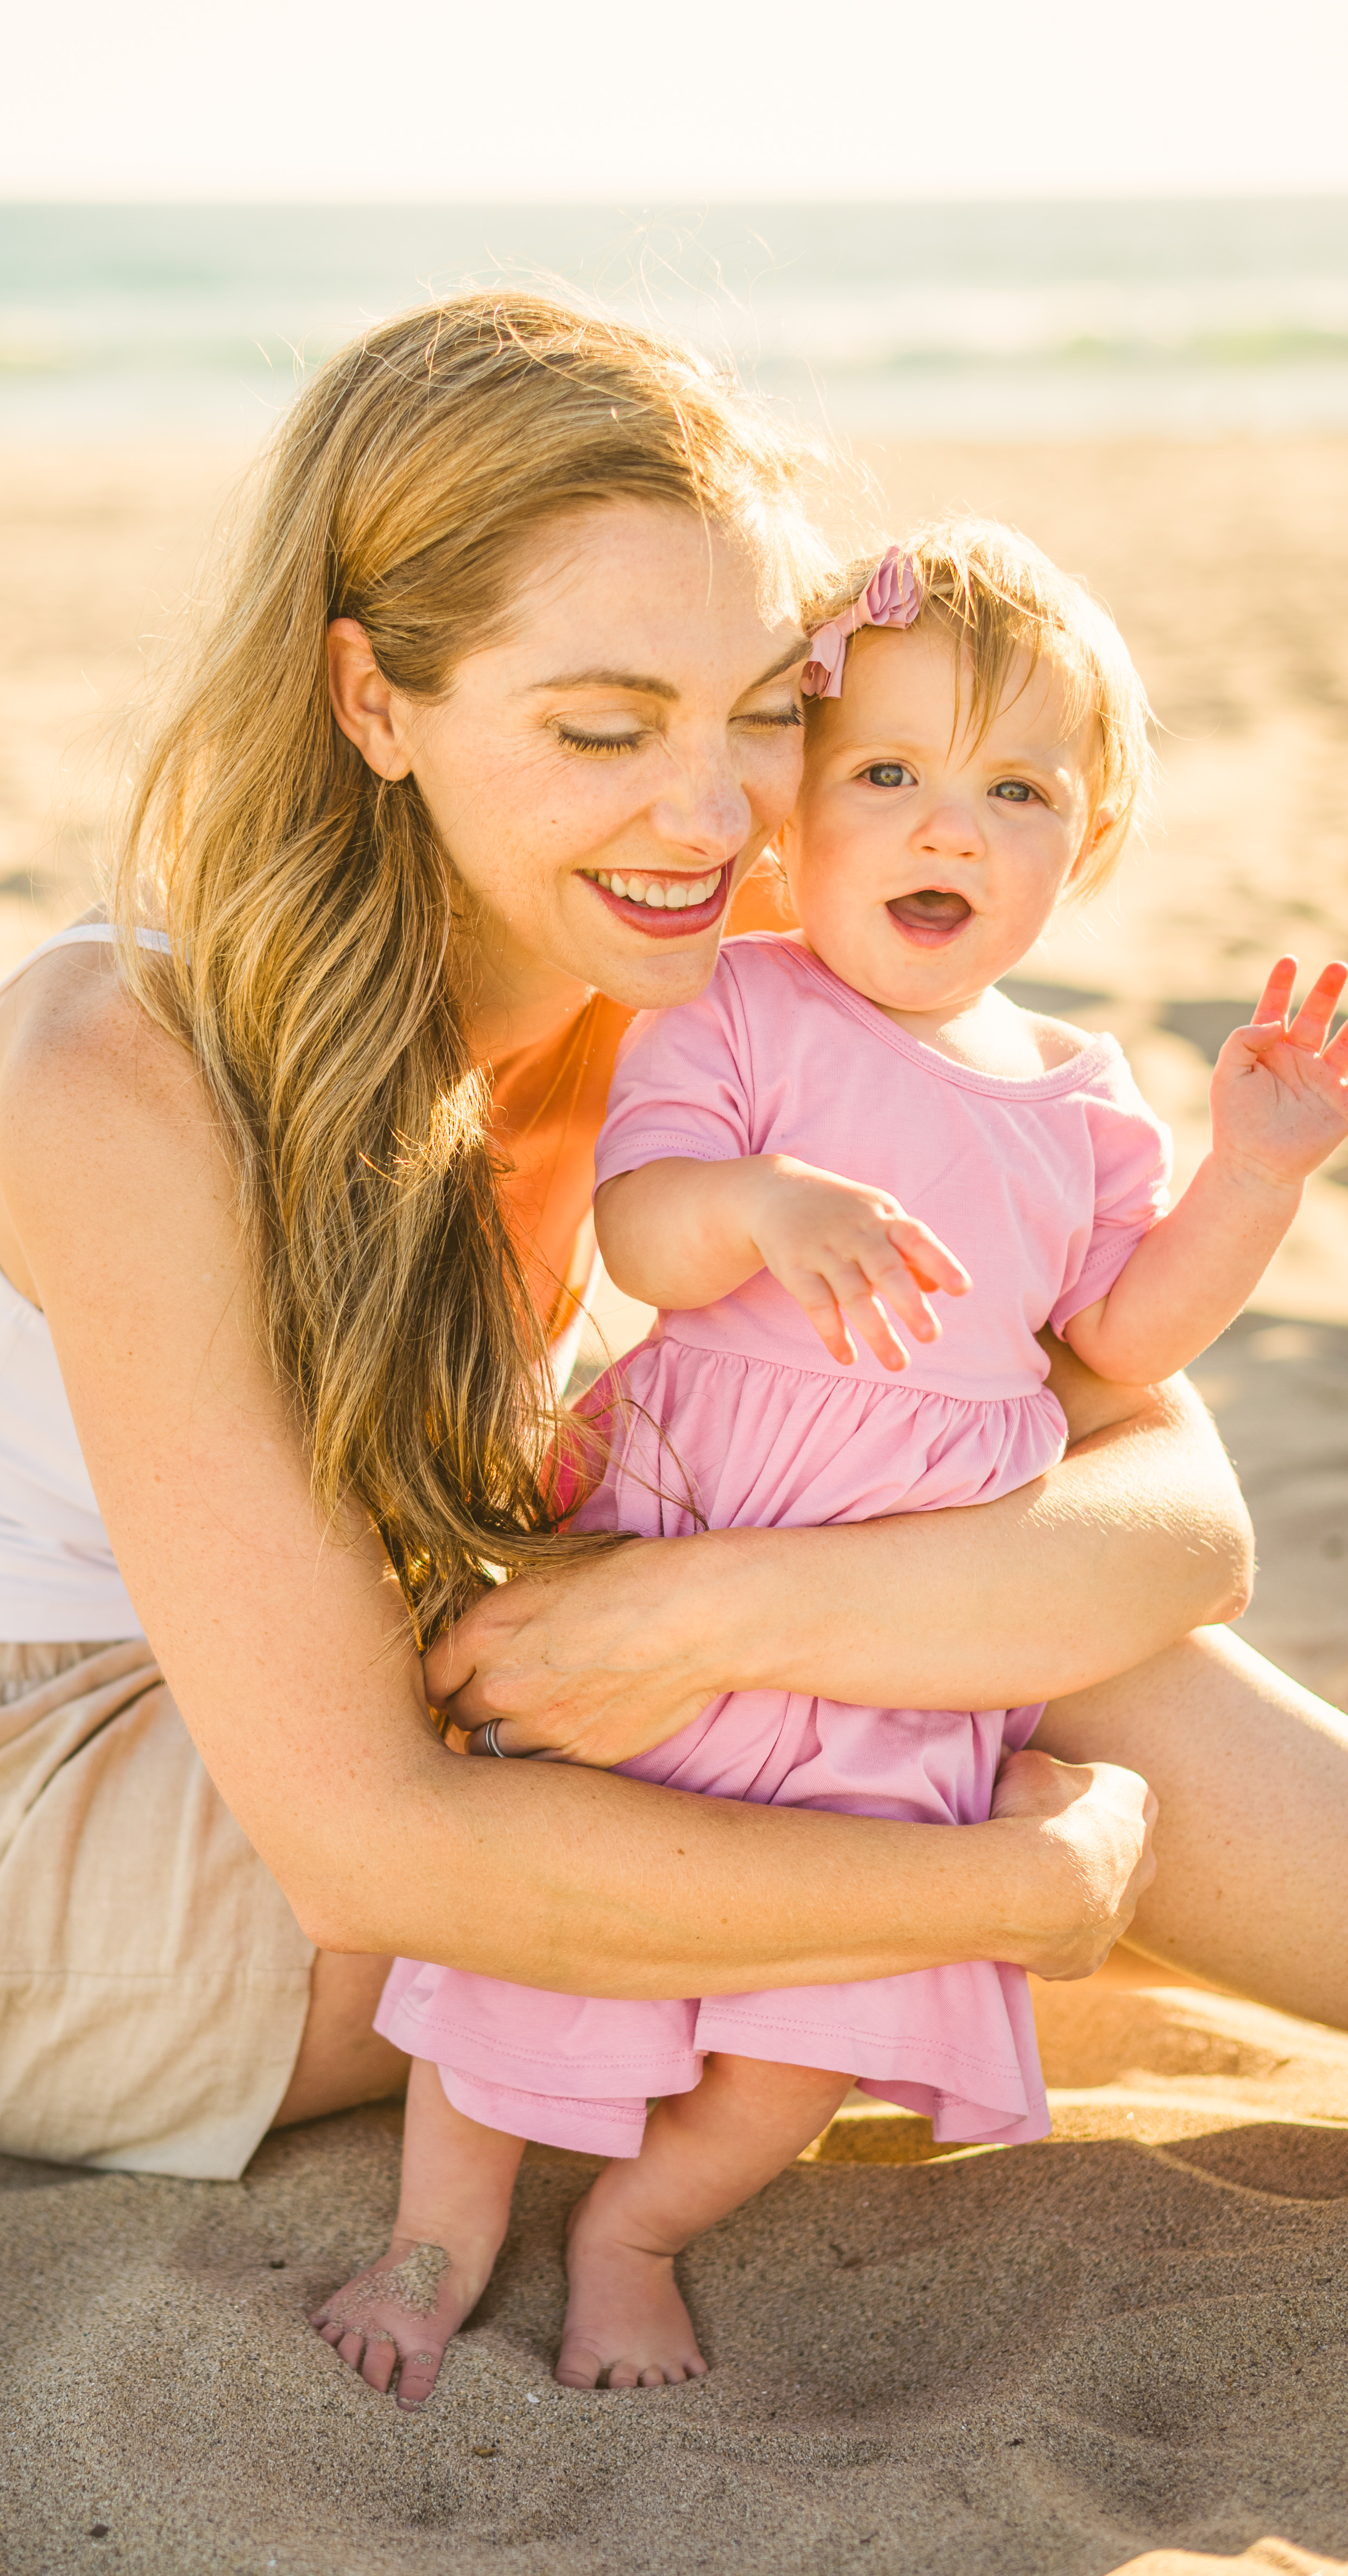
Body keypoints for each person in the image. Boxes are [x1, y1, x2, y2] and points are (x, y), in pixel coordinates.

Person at [0, 294, 1340, 2243]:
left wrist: (724, 1622)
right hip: (26, 1854)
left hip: (419, 1691)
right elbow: (369, 1853)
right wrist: (1006, 1893)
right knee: (1008, 1697)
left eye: (764, 709)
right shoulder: (123, 1071)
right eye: (602, 728)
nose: (706, 817)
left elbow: (1166, 1511)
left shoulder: (697, 958)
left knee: (984, 1603)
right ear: (372, 703)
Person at [342, 525, 1348, 2403]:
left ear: (1086, 848)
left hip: (905, 1629)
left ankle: (639, 2228)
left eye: (1013, 791)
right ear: (791, 812)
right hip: (698, 1522)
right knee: (529, 1952)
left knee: (823, 1994)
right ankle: (437, 2239)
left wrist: (1256, 1180)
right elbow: (640, 1239)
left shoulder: (1075, 1095)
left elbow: (1121, 1345)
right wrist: (758, 1203)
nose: (944, 828)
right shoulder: (735, 1001)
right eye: (885, 774)